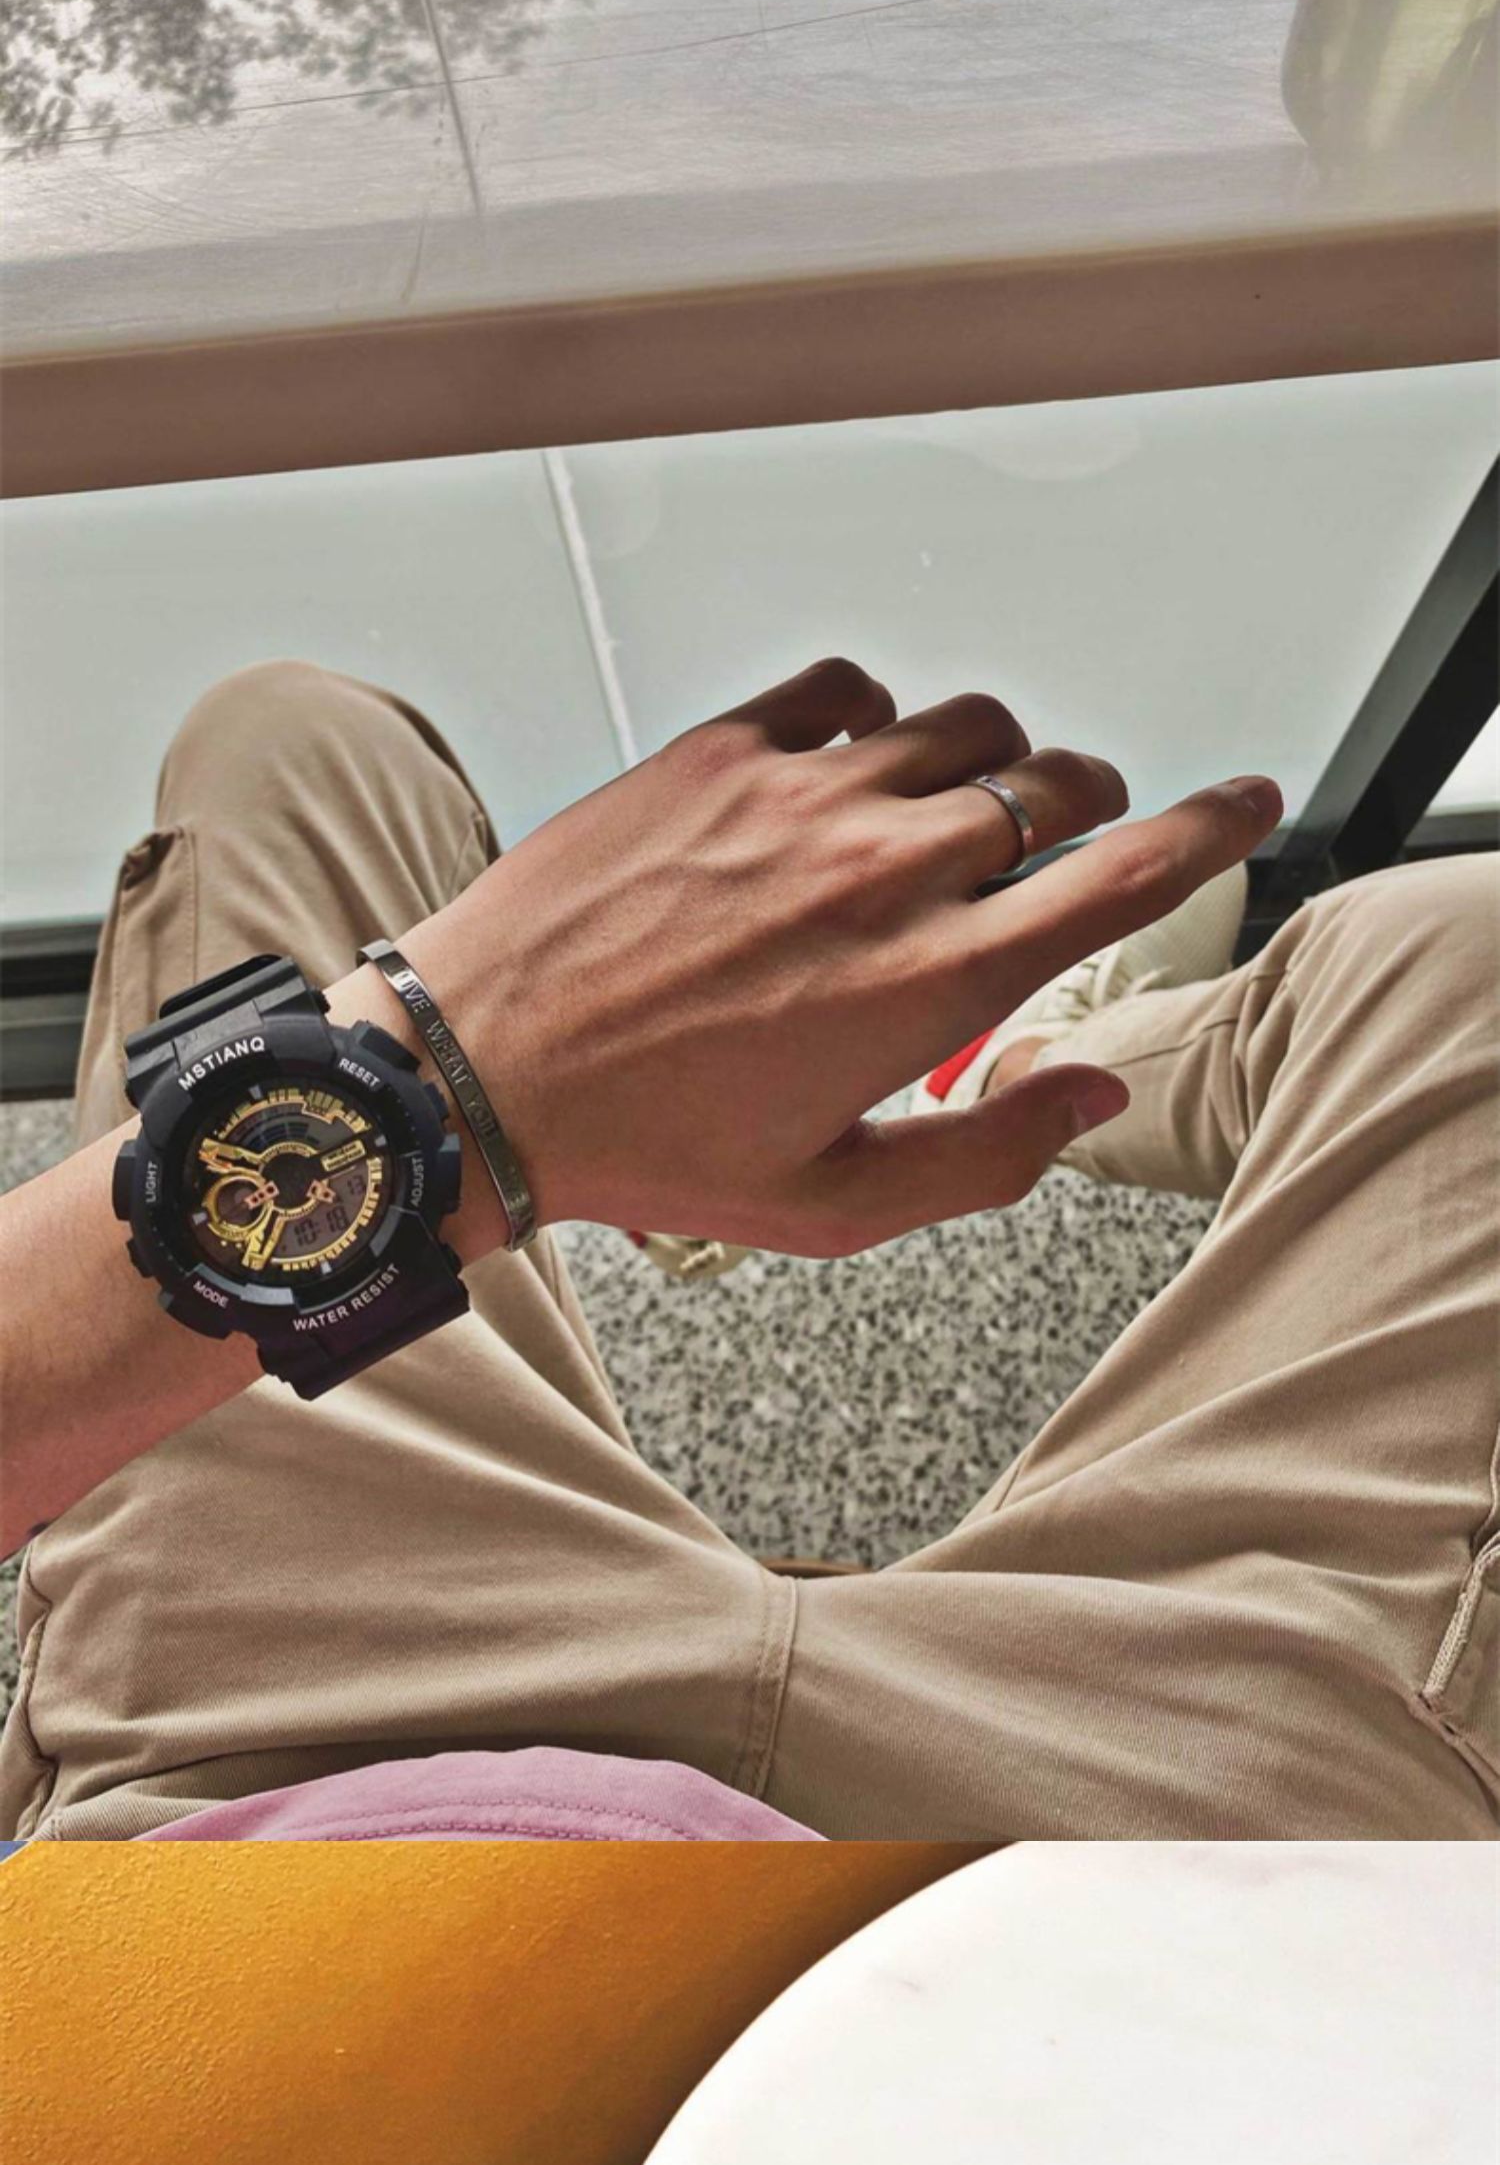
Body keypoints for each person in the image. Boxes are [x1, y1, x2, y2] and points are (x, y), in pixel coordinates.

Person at [0, 657, 1494, 1842]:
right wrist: (457, 1081)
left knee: (290, 742)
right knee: (1466, 954)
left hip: (275, 1769)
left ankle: (994, 1073)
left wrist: (474, 1072)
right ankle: (991, 1066)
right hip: (1172, 1900)